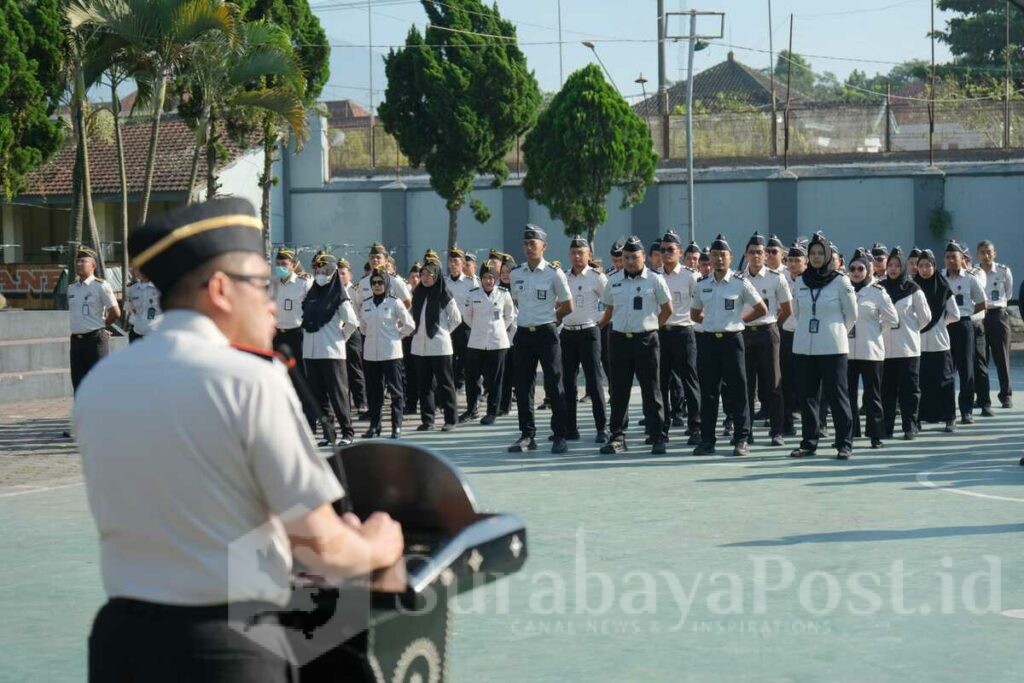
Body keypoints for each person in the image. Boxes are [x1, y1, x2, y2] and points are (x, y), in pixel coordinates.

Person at [76, 198, 403, 682]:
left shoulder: (102, 382)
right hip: (226, 646)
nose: (273, 302)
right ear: (221, 289)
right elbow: (321, 548)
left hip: (121, 644)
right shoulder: (249, 379)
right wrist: (378, 544)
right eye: (261, 285)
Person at [689, 235, 767, 457]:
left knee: (738, 391)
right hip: (709, 341)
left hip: (733, 341)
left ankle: (741, 438)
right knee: (709, 392)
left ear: (731, 258)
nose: (719, 259)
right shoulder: (702, 284)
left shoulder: (740, 282)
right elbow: (694, 313)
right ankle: (707, 440)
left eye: (723, 255)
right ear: (710, 259)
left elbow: (761, 308)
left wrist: (740, 321)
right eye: (714, 255)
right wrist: (712, 323)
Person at [597, 236, 672, 454]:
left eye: (635, 257)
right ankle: (617, 436)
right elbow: (609, 310)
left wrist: (652, 327)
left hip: (646, 340)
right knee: (619, 391)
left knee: (652, 390)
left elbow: (667, 309)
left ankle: (657, 435)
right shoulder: (613, 281)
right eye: (627, 257)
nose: (630, 261)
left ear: (644, 258)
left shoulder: (655, 280)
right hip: (619, 340)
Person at [789, 232, 858, 460]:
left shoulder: (841, 281)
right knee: (808, 397)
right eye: (813, 253)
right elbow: (797, 313)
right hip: (804, 348)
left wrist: (835, 332)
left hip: (833, 347)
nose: (817, 257)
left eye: (821, 253)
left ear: (828, 256)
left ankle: (844, 443)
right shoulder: (800, 281)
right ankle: (809, 442)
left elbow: (851, 315)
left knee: (837, 396)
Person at [507, 225, 573, 454]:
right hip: (524, 333)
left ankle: (560, 434)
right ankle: (527, 435)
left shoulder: (554, 274)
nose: (528, 247)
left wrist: (551, 320)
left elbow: (568, 305)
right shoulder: (516, 274)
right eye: (525, 243)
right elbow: (516, 302)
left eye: (532, 244)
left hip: (547, 333)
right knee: (524, 386)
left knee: (554, 385)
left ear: (543, 246)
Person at [741, 232, 792, 447]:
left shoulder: (776, 278)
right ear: (746, 254)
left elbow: (787, 309)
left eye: (759, 252)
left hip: (768, 333)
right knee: (746, 385)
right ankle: (747, 431)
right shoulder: (738, 278)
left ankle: (776, 431)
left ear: (765, 255)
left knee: (773, 384)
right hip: (744, 334)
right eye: (751, 252)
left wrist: (773, 326)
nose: (755, 256)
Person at [303, 253, 360, 446]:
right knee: (319, 397)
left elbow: (352, 322)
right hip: (311, 352)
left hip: (331, 352)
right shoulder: (311, 294)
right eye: (318, 269)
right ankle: (329, 434)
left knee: (338, 395)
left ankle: (347, 432)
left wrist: (340, 338)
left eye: (324, 269)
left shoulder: (338, 296)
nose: (320, 273)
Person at [846, 250, 898, 448]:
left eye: (861, 268)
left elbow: (893, 319)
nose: (857, 272)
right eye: (853, 269)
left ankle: (876, 435)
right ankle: (849, 433)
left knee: (872, 395)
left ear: (868, 270)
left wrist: (877, 329)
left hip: (871, 351)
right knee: (848, 395)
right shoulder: (845, 290)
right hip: (848, 351)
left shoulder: (877, 292)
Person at [560, 236, 610, 442]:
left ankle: (601, 428)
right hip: (568, 333)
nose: (577, 256)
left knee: (594, 381)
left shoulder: (597, 277)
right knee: (568, 383)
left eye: (581, 252)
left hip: (589, 332)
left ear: (589, 255)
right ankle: (571, 427)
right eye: (574, 253)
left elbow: (611, 303)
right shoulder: (563, 276)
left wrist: (601, 322)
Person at [881, 247, 932, 440]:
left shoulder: (913, 290)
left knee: (909, 390)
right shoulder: (880, 288)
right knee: (887, 391)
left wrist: (911, 329)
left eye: (897, 265)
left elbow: (925, 317)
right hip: (885, 349)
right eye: (890, 265)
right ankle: (886, 427)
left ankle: (910, 426)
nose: (893, 269)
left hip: (908, 348)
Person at [359, 267, 416, 439]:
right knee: (373, 392)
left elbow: (410, 325)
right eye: (374, 283)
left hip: (391, 353)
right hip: (371, 354)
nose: (377, 286)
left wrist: (397, 335)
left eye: (380, 282)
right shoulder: (366, 304)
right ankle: (374, 425)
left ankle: (396, 426)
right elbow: (363, 327)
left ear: (386, 284)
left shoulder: (394, 302)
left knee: (395, 391)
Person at [658, 230, 701, 444]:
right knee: (660, 384)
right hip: (661, 333)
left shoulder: (690, 276)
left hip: (684, 332)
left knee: (690, 381)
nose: (666, 253)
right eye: (663, 250)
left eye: (670, 249)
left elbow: (702, 303)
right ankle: (661, 428)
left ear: (679, 252)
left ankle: (695, 427)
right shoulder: (654, 276)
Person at [410, 257, 462, 432]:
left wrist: (444, 332)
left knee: (445, 384)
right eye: (422, 274)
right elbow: (412, 317)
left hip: (440, 345)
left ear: (437, 276)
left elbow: (456, 319)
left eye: (429, 274)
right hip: (419, 345)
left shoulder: (444, 294)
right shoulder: (417, 293)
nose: (425, 278)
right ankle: (427, 419)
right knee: (424, 385)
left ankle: (450, 419)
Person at [461, 263, 516, 425]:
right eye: (485, 277)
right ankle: (472, 409)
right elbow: (467, 317)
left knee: (495, 379)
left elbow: (509, 315)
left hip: (497, 342)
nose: (488, 281)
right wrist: (479, 328)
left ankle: (492, 411)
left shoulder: (504, 294)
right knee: (472, 377)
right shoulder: (473, 294)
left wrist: (499, 329)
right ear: (481, 279)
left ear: (496, 279)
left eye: (492, 277)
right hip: (476, 341)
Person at [915, 249, 961, 433]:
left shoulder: (943, 287)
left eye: (928, 265)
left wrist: (939, 323)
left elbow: (955, 314)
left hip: (940, 342)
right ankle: (918, 418)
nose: (925, 269)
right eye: (921, 266)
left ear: (934, 267)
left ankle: (950, 418)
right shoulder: (912, 288)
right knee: (920, 382)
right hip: (917, 343)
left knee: (945, 381)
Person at [943, 240, 987, 424]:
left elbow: (982, 303)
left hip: (964, 326)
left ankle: (966, 410)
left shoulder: (970, 278)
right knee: (946, 371)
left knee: (966, 370)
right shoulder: (940, 278)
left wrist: (965, 314)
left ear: (962, 259)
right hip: (944, 327)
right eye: (947, 257)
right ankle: (948, 414)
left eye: (954, 257)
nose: (951, 260)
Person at [67, 246, 120, 393]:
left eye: (83, 261)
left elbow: (115, 312)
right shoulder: (72, 288)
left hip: (95, 339)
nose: (78, 264)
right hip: (76, 340)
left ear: (93, 265)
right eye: (77, 261)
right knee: (78, 380)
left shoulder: (100, 286)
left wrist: (102, 326)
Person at [975, 240, 1013, 410]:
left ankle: (1006, 396)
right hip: (979, 317)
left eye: (989, 252)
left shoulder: (1004, 271)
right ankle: (982, 396)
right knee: (980, 360)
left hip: (998, 316)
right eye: (983, 252)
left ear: (994, 253)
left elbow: (1009, 293)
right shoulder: (974, 273)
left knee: (1002, 358)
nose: (986, 255)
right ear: (978, 255)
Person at [780, 241, 807, 436]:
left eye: (797, 260)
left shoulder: (811, 280)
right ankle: (787, 422)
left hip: (806, 335)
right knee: (786, 381)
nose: (793, 264)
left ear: (805, 262)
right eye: (790, 260)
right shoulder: (780, 279)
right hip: (787, 334)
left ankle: (813, 423)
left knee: (807, 382)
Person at [337, 258, 369, 420]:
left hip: (353, 331)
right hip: (337, 332)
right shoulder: (332, 290)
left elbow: (363, 309)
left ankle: (361, 402)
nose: (340, 276)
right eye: (338, 273)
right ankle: (345, 404)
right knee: (339, 370)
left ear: (350, 274)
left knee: (355, 368)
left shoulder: (355, 290)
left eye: (343, 273)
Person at [271, 247, 312, 361]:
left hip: (297, 334)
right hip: (277, 335)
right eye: (278, 264)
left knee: (300, 371)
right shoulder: (272, 284)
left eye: (284, 264)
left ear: (293, 266)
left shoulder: (304, 283)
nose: (280, 267)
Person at [445, 247, 476, 393]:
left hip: (465, 324)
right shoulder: (444, 283)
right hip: (449, 324)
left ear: (463, 264)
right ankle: (452, 380)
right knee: (449, 354)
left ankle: (461, 380)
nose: (453, 265)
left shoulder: (471, 283)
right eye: (450, 261)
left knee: (465, 355)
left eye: (456, 262)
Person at [402, 262, 423, 416]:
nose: (415, 279)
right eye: (413, 277)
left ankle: (428, 403)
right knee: (409, 372)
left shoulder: (426, 293)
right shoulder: (405, 295)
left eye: (418, 276)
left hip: (423, 338)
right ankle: (411, 404)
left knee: (424, 372)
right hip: (408, 337)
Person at [125, 267, 162, 342]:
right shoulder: (132, 288)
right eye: (136, 268)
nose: (140, 271)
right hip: (136, 333)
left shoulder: (161, 286)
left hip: (157, 333)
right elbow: (130, 309)